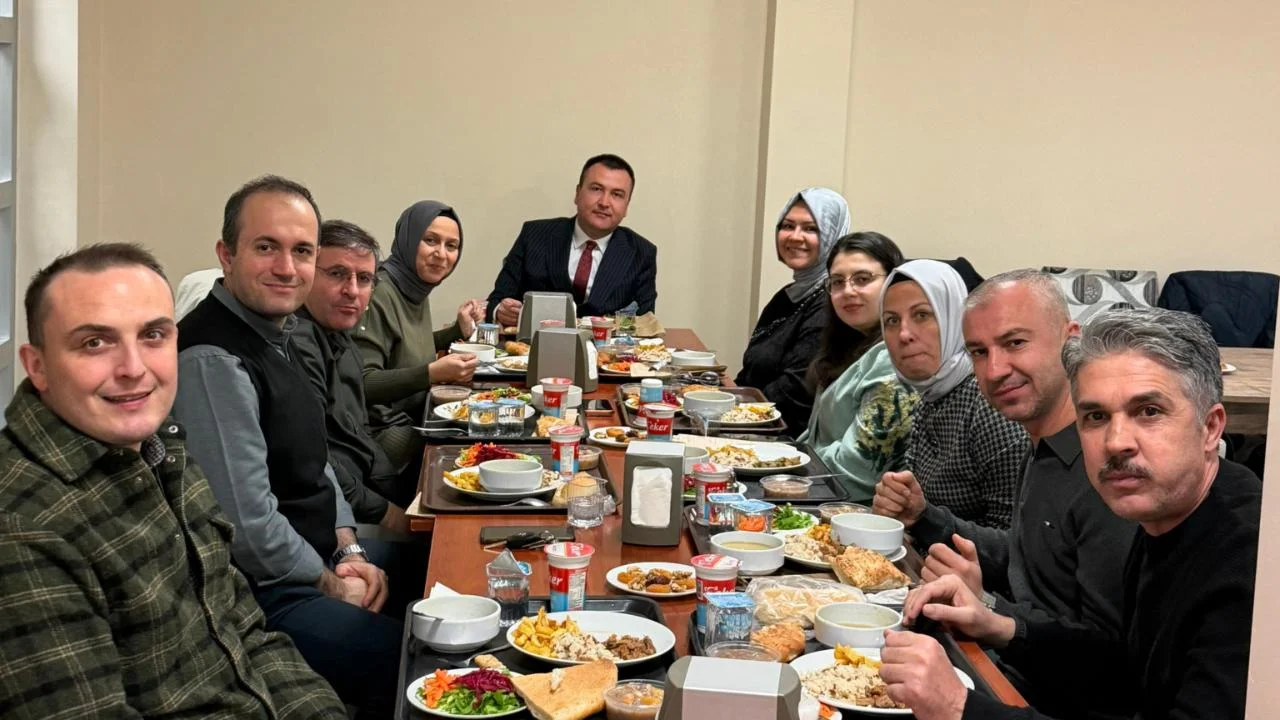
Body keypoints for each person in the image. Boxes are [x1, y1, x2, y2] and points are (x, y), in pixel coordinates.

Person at [0, 243, 346, 717]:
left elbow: (247, 632)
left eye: (153, 335)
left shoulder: (164, 448)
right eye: (94, 343)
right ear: (37, 365)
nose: (133, 369)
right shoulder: (23, 527)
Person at [881, 307, 1261, 720]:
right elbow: (1125, 667)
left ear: (1210, 428)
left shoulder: (1249, 561)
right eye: (1096, 416)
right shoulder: (1163, 513)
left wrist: (959, 707)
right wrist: (997, 622)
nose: (1116, 442)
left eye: (1148, 411)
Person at [173, 175, 402, 717]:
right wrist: (332, 583)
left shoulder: (280, 331)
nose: (286, 267)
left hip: (318, 554)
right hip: (265, 593)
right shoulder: (213, 359)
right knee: (423, 659)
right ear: (226, 255)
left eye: (301, 251)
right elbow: (249, 529)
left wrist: (349, 549)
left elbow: (317, 462)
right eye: (265, 247)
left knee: (448, 574)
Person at [914, 270, 1136, 718]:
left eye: (1015, 343)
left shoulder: (1108, 470)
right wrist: (925, 519)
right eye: (979, 352)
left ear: (1070, 342)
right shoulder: (1040, 442)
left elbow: (1110, 661)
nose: (995, 370)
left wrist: (991, 609)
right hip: (1011, 672)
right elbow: (1029, 552)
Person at [872, 260, 1026, 538]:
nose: (904, 334)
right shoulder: (933, 393)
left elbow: (1016, 542)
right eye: (891, 321)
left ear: (954, 319)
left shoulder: (990, 403)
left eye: (922, 315)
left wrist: (923, 519)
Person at [295, 219, 415, 529]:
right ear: (306, 272)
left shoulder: (341, 336)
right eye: (337, 274)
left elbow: (359, 435)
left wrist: (401, 496)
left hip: (365, 491)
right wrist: (388, 513)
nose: (351, 290)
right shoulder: (295, 344)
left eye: (364, 279)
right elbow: (317, 462)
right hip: (335, 517)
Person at [353, 200, 484, 469]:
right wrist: (431, 373)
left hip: (415, 418)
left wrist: (457, 331)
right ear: (409, 240)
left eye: (451, 246)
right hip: (382, 437)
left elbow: (405, 347)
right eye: (430, 240)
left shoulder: (414, 285)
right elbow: (362, 383)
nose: (441, 254)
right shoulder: (380, 291)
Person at [797, 232, 916, 500]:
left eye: (863, 279)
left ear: (893, 282)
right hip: (819, 490)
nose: (848, 291)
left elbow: (858, 471)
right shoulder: (848, 345)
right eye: (837, 282)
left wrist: (791, 462)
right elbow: (814, 438)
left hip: (856, 508)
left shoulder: (892, 358)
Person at [486, 153, 657, 325]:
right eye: (596, 189)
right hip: (536, 340)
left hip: (605, 342)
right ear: (577, 193)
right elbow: (496, 301)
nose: (604, 202)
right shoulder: (534, 235)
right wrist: (500, 312)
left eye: (617, 194)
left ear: (627, 206)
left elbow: (644, 323)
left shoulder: (641, 253)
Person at [736, 187, 850, 432]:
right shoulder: (787, 296)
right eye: (788, 226)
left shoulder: (832, 302)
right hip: (754, 422)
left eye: (811, 229)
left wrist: (730, 409)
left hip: (786, 436)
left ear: (833, 235)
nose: (795, 237)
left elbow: (795, 391)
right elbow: (751, 371)